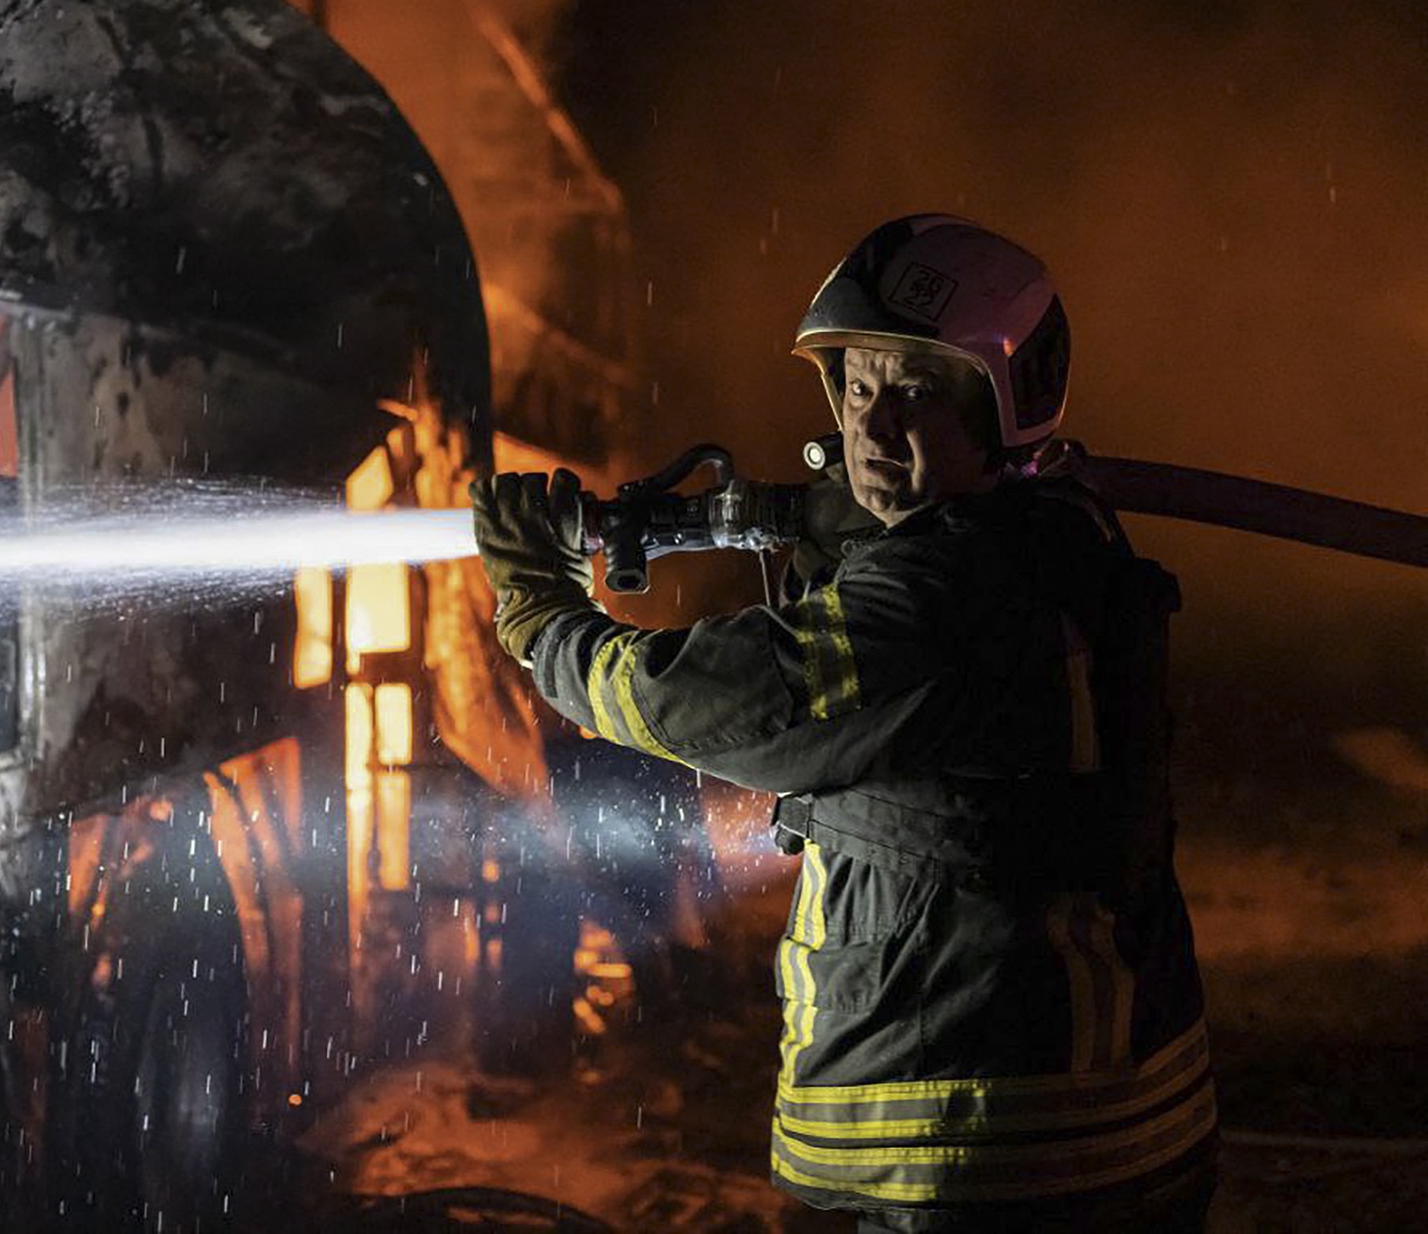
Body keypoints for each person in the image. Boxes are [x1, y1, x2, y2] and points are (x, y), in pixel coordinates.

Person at [471, 215, 1215, 1232]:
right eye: (855, 389)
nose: (868, 427)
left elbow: (694, 698)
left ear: (999, 403)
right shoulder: (1060, 530)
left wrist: (540, 613)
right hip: (1099, 1115)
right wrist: (802, 515)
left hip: (979, 1144)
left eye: (911, 391)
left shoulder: (935, 596)